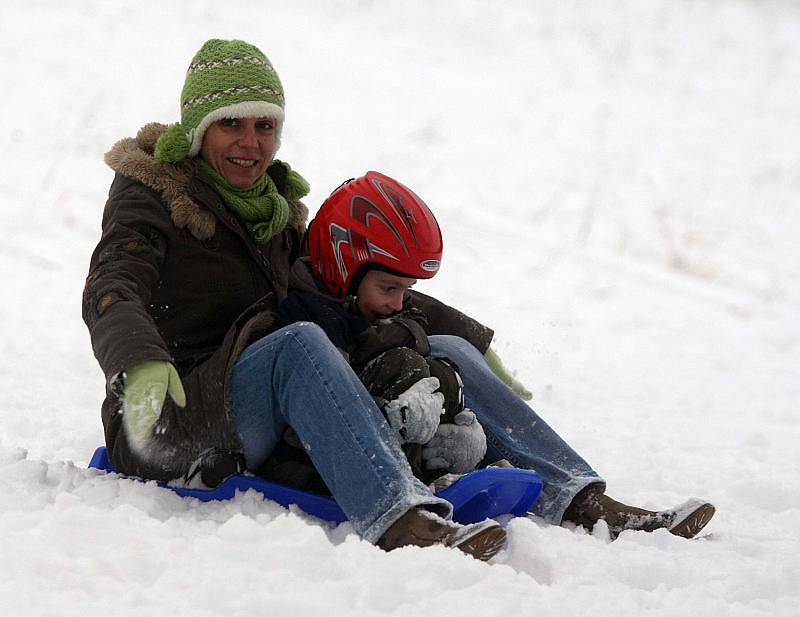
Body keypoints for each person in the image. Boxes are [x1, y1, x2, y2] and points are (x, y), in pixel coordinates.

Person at [83, 38, 714, 562]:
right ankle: (400, 517)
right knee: (299, 344)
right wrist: (136, 359)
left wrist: (476, 343)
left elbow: (342, 283)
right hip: (167, 422)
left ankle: (580, 499)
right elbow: (113, 285)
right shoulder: (151, 202)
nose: (251, 142)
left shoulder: (271, 215)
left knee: (439, 348)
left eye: (264, 125)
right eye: (232, 125)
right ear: (198, 129)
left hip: (241, 404)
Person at [275, 171, 488, 488]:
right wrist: (390, 419)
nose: (398, 303)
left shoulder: (378, 311)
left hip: (372, 453)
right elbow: (314, 415)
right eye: (389, 288)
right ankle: (410, 488)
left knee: (440, 373)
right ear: (342, 269)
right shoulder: (311, 322)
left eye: (406, 289)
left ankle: (441, 471)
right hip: (309, 463)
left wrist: (454, 433)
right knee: (405, 367)